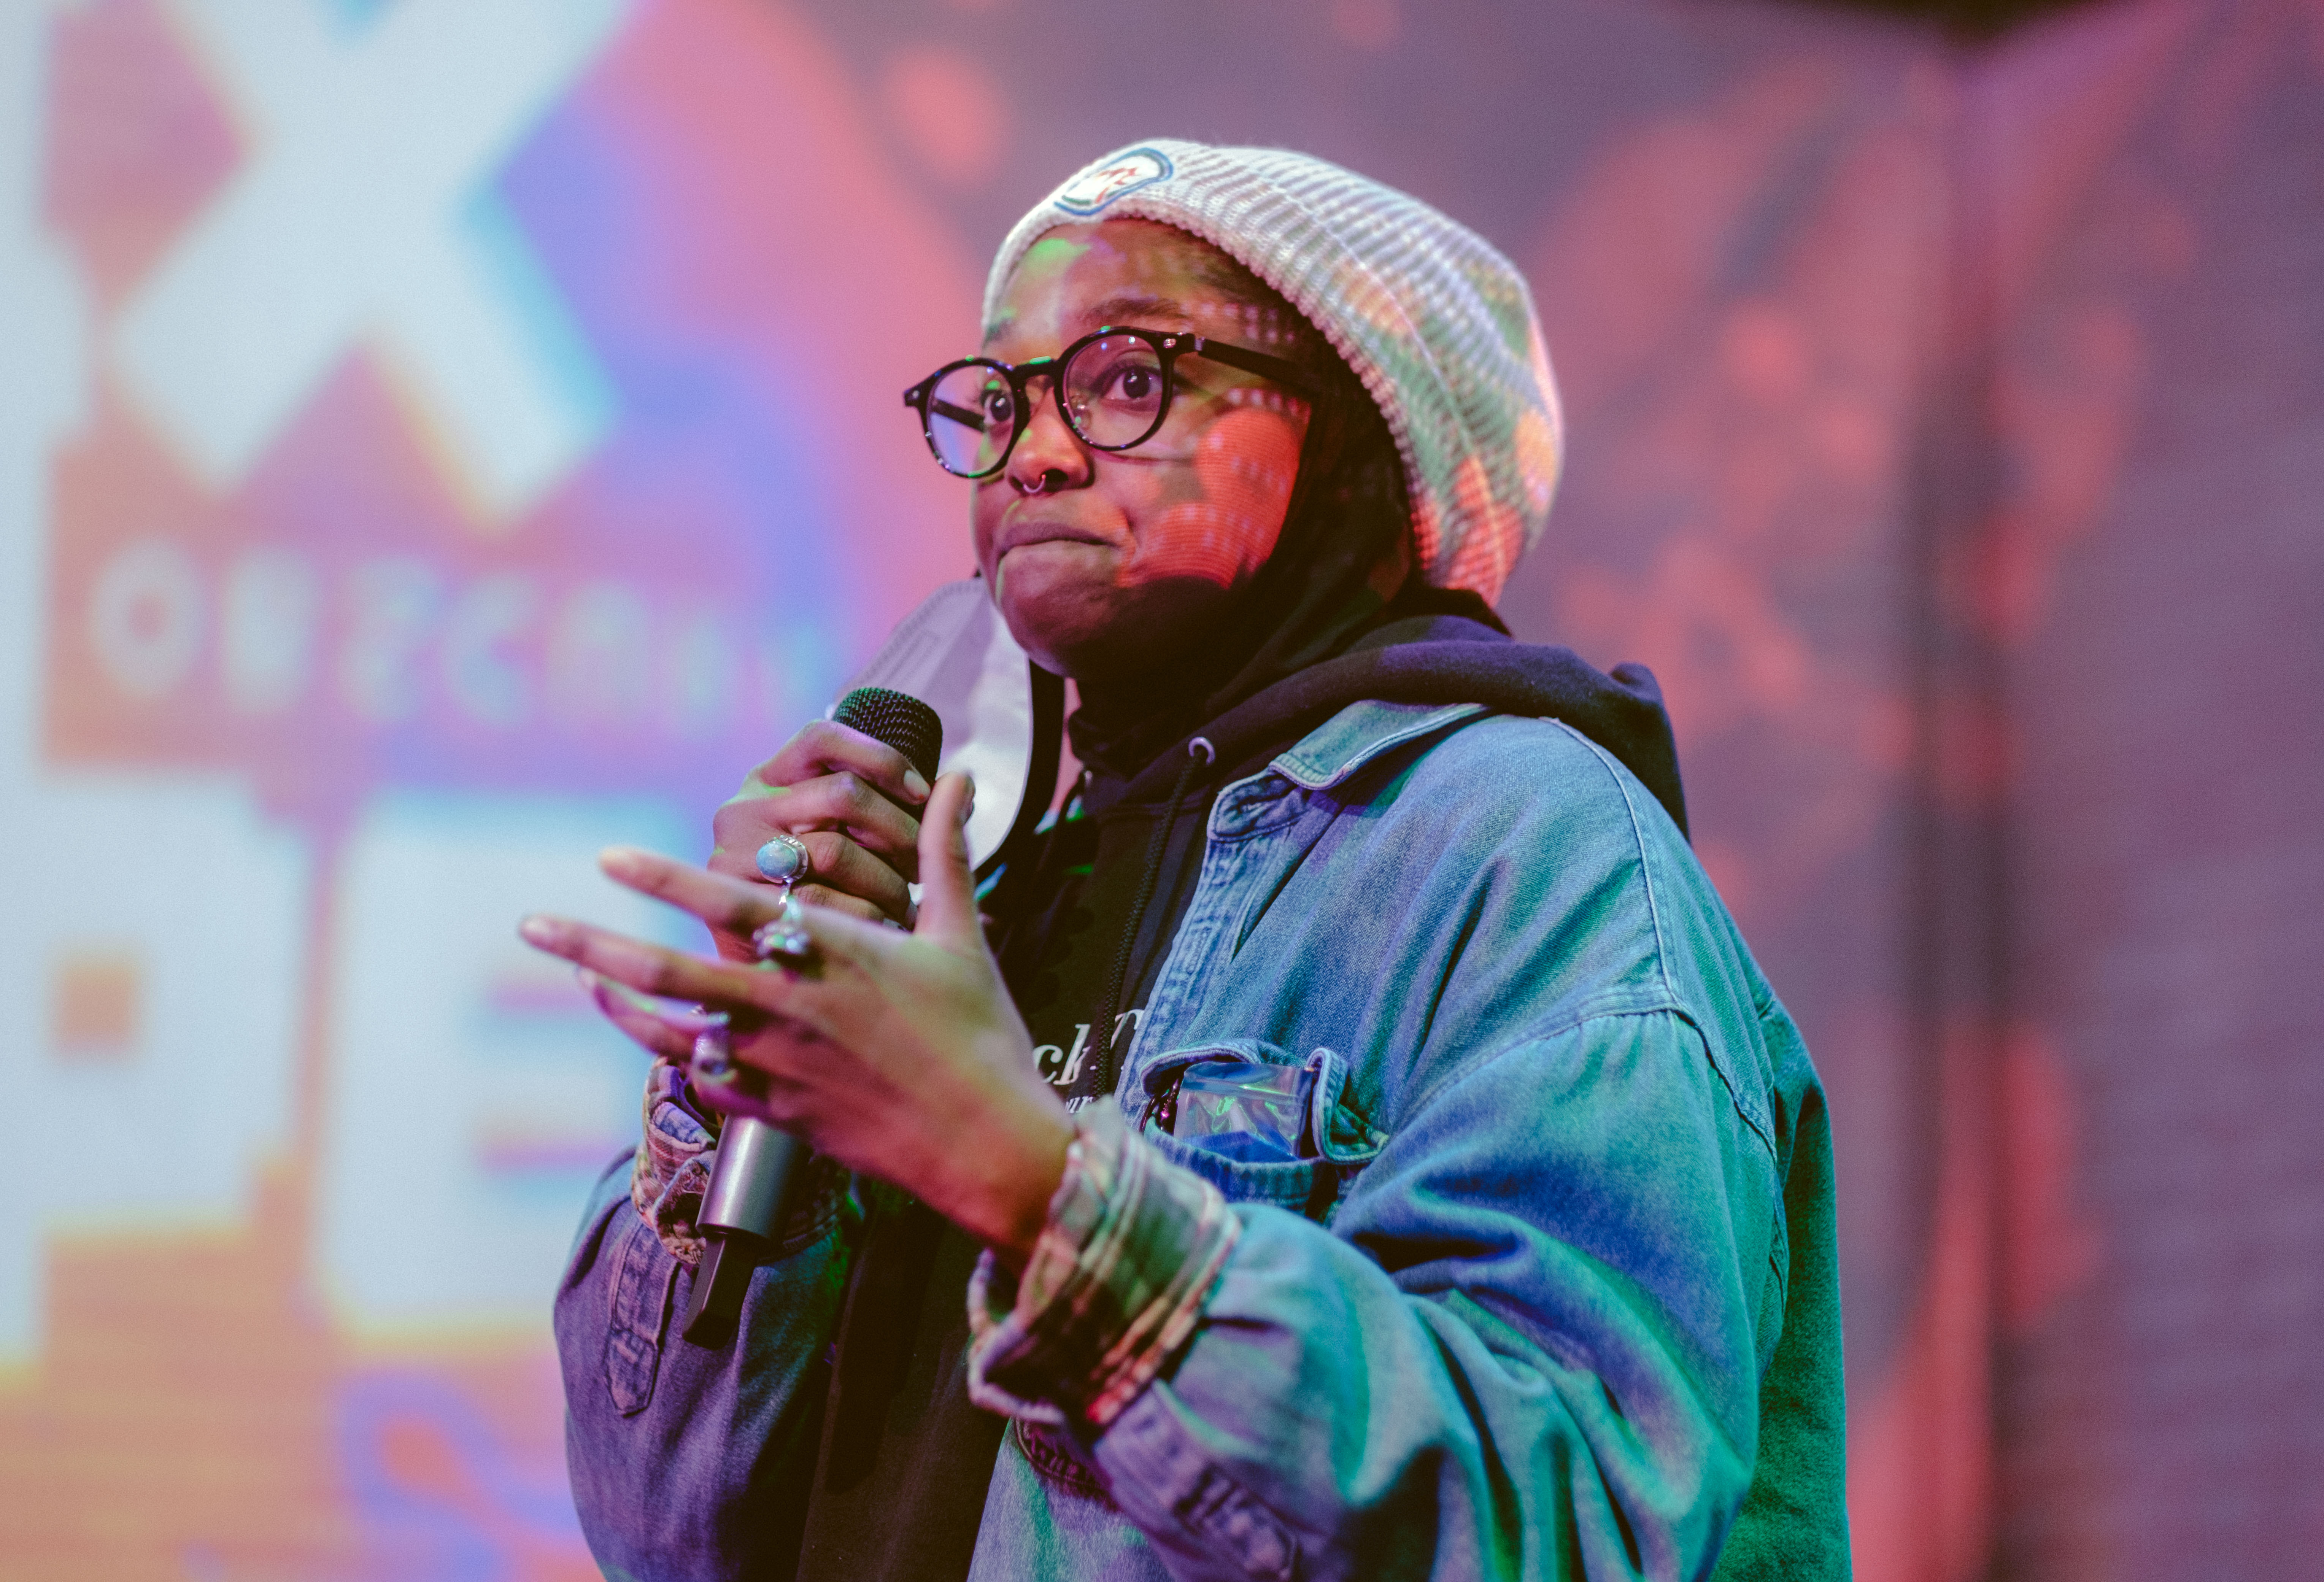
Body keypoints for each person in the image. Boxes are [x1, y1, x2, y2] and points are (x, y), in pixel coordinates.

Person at [520, 140, 1849, 1580]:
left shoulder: (1529, 846)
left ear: (1360, 443)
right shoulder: (989, 895)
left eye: (1125, 379)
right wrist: (737, 1097)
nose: (1033, 453)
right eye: (1001, 399)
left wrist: (1034, 1185)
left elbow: (1572, 1522)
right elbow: (669, 1532)